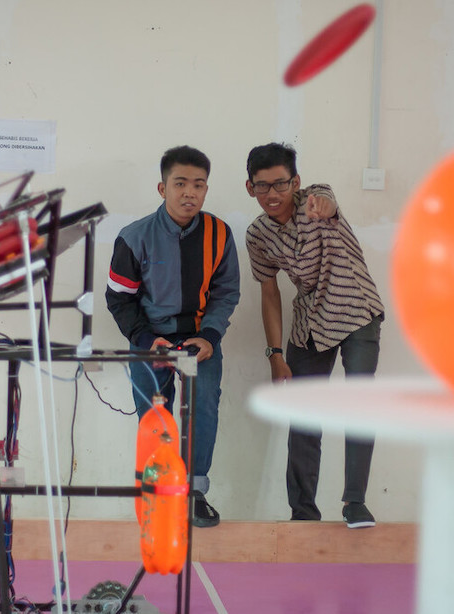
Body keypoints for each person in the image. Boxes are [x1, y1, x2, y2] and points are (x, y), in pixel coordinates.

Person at [243, 142, 384, 529]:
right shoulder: (257, 235)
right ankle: (303, 513)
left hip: (356, 310)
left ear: (296, 182)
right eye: (262, 187)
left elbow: (328, 202)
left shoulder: (315, 198)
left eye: (280, 184)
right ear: (249, 188)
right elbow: (269, 294)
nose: (272, 195)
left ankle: (355, 502)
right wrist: (274, 353)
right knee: (303, 418)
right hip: (310, 322)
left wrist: (325, 206)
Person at [106, 145, 241, 528]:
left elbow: (226, 291)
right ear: (162, 188)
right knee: (155, 418)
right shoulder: (134, 237)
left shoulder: (219, 233)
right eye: (180, 183)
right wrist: (147, 339)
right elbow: (119, 298)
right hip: (150, 341)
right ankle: (160, 496)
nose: (189, 193)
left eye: (199, 185)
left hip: (200, 341)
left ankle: (195, 493)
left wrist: (210, 334)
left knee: (203, 410)